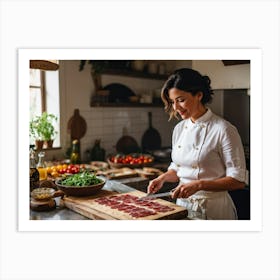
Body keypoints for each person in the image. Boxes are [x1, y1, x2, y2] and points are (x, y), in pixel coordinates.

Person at [147, 68, 248, 220]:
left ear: (199, 95)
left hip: (213, 210)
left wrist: (199, 185)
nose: (176, 108)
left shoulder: (224, 129)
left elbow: (238, 181)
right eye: (173, 102)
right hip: (182, 206)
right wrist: (162, 178)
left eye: (181, 100)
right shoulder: (179, 128)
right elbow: (178, 168)